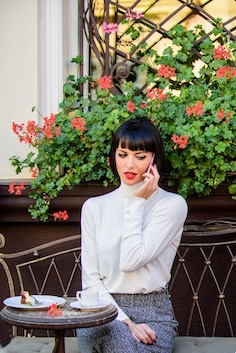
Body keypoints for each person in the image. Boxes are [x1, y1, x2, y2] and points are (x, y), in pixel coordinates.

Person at [77, 118, 188, 353]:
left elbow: (131, 261)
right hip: (101, 310)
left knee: (124, 345)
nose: (129, 164)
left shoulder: (171, 205)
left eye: (140, 157)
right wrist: (127, 322)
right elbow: (91, 281)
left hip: (153, 315)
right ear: (113, 156)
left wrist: (137, 202)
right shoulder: (94, 207)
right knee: (111, 335)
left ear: (154, 160)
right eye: (122, 154)